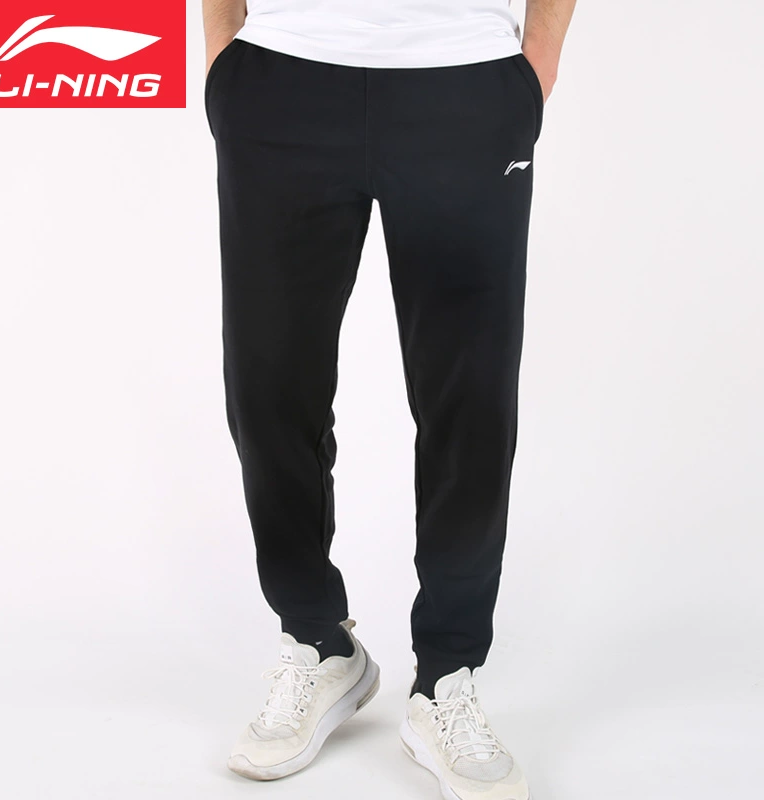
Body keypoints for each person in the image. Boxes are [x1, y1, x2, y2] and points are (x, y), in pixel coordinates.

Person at [203, 0, 576, 796]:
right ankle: (318, 641)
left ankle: (446, 676)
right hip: (281, 74)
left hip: (464, 75)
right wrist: (223, 47)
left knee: (470, 401)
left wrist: (540, 53)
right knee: (268, 386)